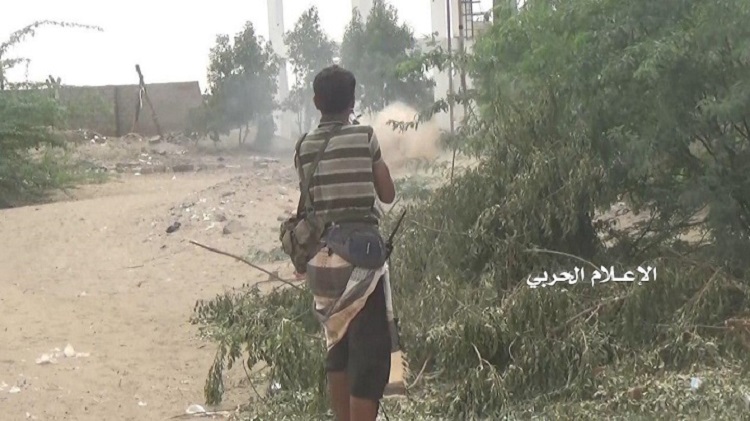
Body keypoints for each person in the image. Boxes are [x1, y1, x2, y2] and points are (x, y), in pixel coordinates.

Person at [293, 65, 400, 421]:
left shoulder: (304, 147)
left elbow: (308, 207)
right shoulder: (364, 136)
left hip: (322, 267)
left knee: (337, 352)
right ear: (353, 101)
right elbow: (388, 194)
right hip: (360, 266)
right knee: (368, 366)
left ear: (316, 102)